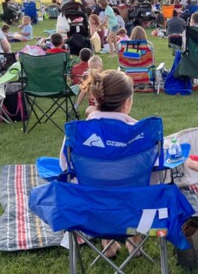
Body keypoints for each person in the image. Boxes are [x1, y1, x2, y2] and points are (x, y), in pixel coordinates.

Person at [59, 68, 141, 258]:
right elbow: (155, 171)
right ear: (127, 103)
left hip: (90, 208)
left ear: (96, 100)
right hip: (134, 208)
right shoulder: (141, 134)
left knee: (99, 185)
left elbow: (65, 167)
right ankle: (134, 243)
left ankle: (108, 242)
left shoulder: (78, 133)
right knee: (138, 187)